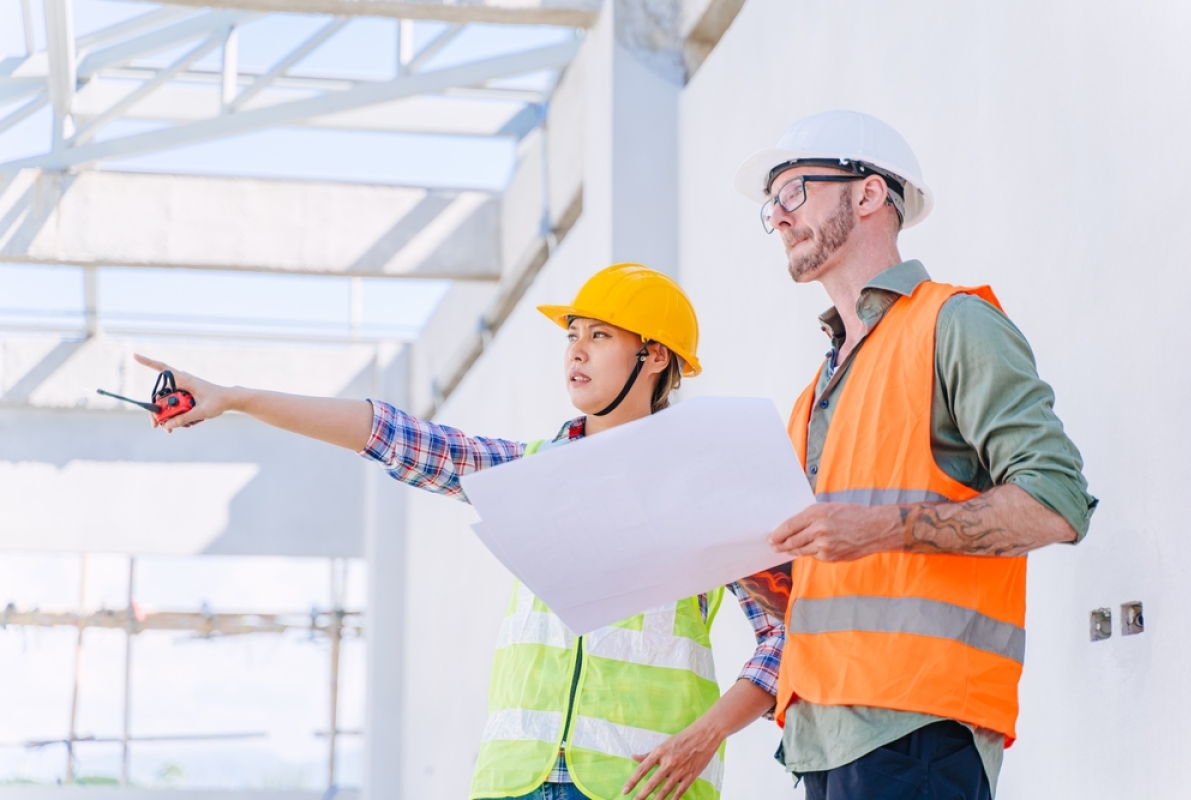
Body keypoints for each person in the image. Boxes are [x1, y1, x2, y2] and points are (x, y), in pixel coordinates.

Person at [135, 263, 784, 800]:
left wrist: (709, 734)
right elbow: (390, 435)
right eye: (571, 334)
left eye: (600, 335)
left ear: (654, 355)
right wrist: (239, 398)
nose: (576, 350)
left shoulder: (703, 493)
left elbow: (786, 636)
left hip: (645, 787)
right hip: (513, 784)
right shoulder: (529, 474)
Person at [730, 111, 1097, 800]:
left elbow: (1057, 503)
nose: (777, 218)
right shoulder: (815, 393)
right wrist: (755, 571)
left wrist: (884, 528)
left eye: (792, 193)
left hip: (921, 728)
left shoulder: (953, 324)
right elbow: (824, 582)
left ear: (868, 195)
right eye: (769, 206)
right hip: (821, 736)